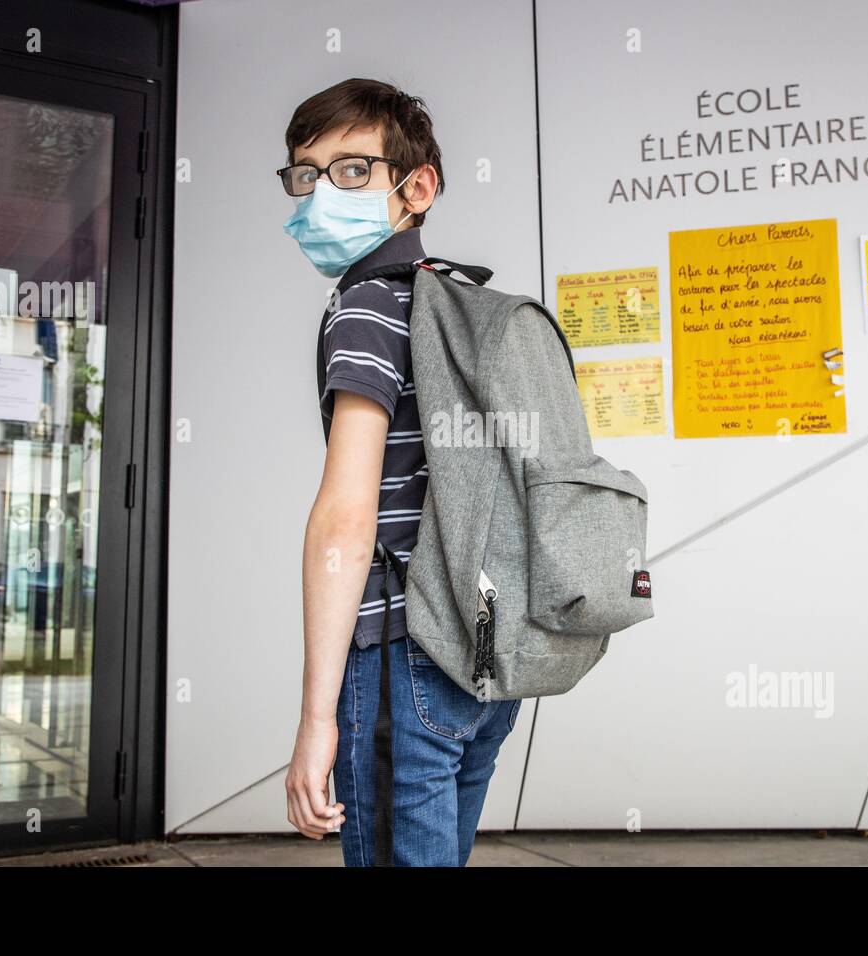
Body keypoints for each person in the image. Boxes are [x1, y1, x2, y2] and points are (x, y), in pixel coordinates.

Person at [279, 78, 522, 866]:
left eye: (352, 171)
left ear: (417, 188)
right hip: (485, 656)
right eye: (305, 175)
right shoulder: (454, 302)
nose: (320, 194)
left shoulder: (365, 308)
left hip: (402, 656)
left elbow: (346, 519)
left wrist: (317, 720)